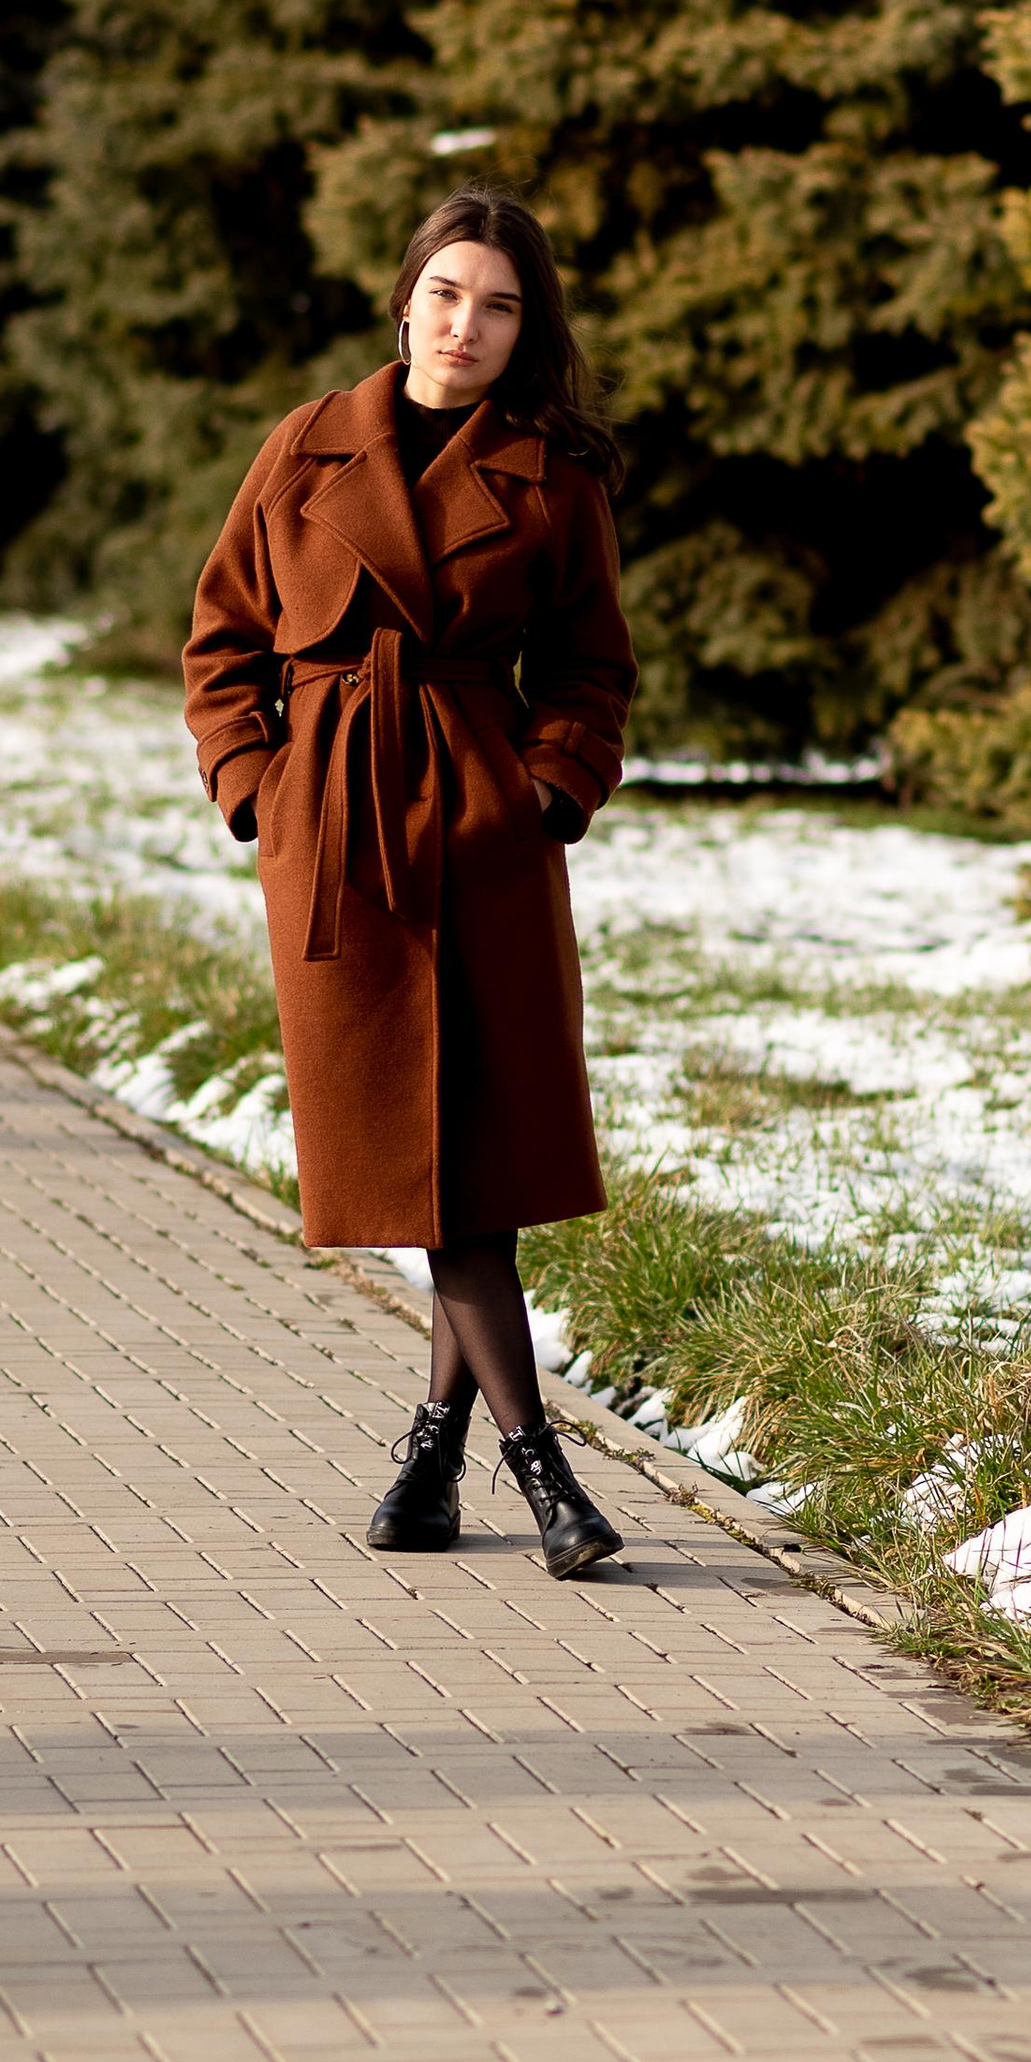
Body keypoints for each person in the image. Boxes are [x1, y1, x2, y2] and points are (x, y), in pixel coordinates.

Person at [183, 185, 636, 1577]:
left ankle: (451, 1465)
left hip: (485, 835)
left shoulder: (552, 477)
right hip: (340, 838)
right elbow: (223, 640)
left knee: (471, 1166)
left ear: (524, 328)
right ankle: (538, 1472)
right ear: (405, 299)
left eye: (497, 305)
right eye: (447, 294)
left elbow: (592, 668)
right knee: (432, 1168)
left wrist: (544, 793)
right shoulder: (305, 445)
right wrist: (258, 789)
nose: (465, 326)